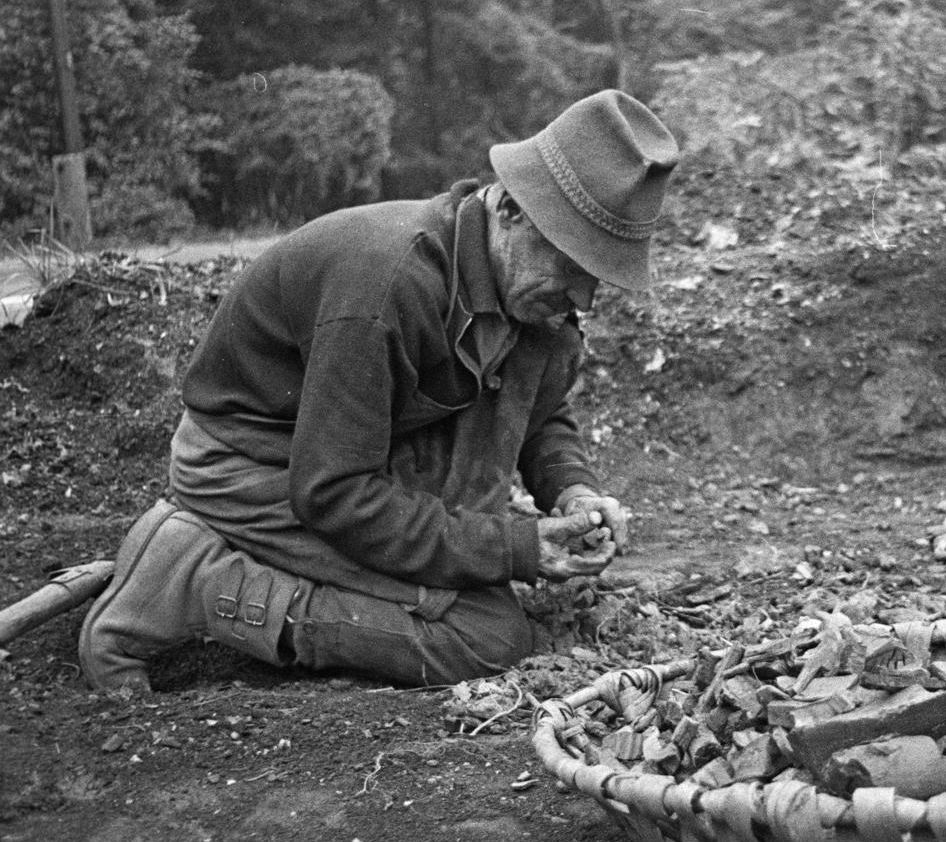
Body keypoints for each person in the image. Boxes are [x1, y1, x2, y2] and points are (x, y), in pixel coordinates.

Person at [78, 89, 679, 692]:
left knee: (478, 573)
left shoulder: (523, 291)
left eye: (596, 276)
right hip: (254, 467)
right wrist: (516, 548)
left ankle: (245, 562)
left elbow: (540, 411)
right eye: (573, 264)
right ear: (511, 209)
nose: (584, 298)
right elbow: (335, 492)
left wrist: (573, 489)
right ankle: (196, 581)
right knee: (484, 635)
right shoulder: (390, 283)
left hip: (358, 452)